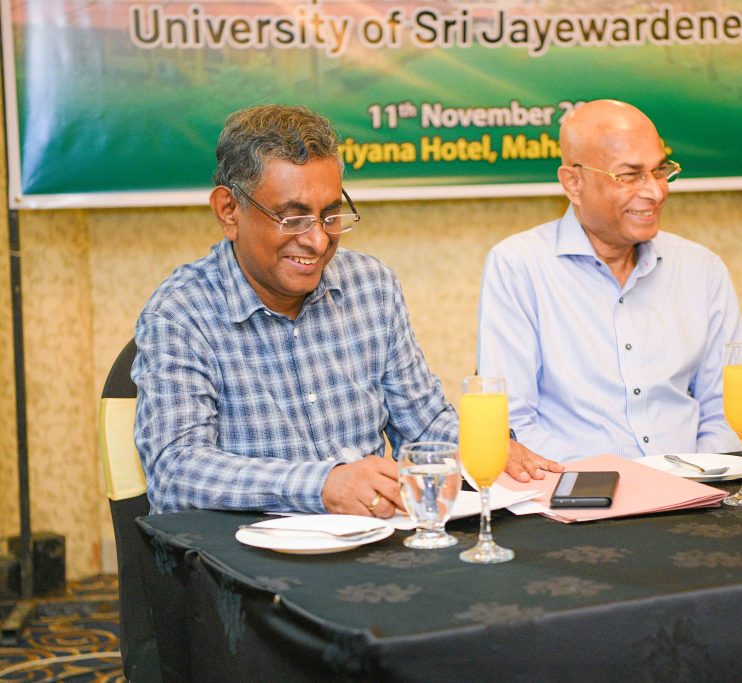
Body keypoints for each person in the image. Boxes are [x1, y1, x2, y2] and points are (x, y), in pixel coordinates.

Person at [134, 104, 559, 516]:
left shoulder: (372, 286)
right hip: (248, 553)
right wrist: (323, 485)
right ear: (229, 211)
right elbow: (176, 469)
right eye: (292, 219)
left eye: (331, 215)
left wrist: (484, 449)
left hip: (374, 541)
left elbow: (424, 423)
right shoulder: (180, 314)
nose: (318, 241)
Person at [476, 99, 742, 462]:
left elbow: (728, 413)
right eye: (630, 176)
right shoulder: (519, 267)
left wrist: (696, 476)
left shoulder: (702, 270)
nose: (655, 191)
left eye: (660, 170)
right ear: (573, 183)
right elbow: (511, 425)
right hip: (576, 489)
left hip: (695, 488)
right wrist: (617, 481)